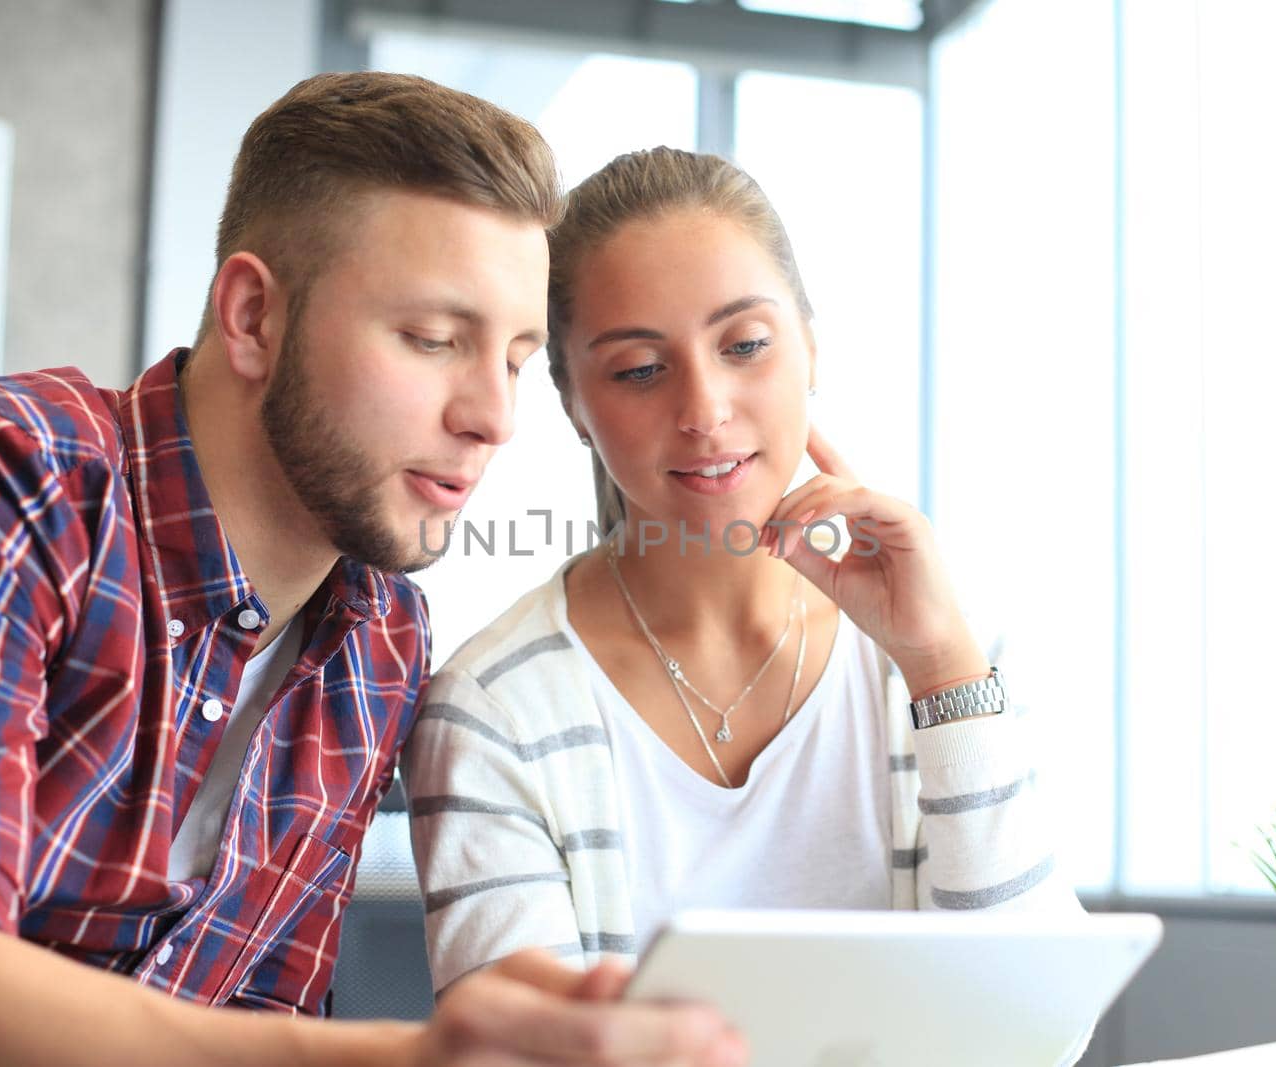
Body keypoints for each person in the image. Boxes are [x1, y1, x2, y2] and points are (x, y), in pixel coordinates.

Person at [0, 75, 745, 1067]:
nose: (493, 416)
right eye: (436, 339)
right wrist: (404, 1057)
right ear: (252, 316)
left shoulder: (381, 640)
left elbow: (261, 1015)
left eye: (517, 358)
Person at [403, 147, 1086, 996]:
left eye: (747, 345)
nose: (704, 411)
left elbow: (1038, 1017)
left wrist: (942, 664)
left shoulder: (935, 655)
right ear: (575, 405)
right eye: (640, 370)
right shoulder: (497, 708)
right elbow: (521, 1054)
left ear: (810, 349)